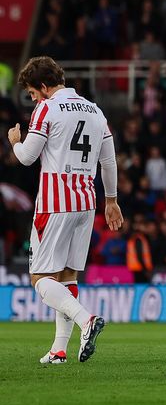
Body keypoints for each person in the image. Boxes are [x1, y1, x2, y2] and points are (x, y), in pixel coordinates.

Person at [7, 56, 123, 364]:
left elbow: (28, 157)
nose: (33, 99)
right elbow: (108, 161)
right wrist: (111, 200)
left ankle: (87, 320)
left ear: (43, 87)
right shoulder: (96, 111)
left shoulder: (47, 108)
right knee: (67, 275)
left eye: (32, 93)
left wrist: (15, 142)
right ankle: (59, 350)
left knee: (40, 278)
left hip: (55, 202)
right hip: (87, 202)